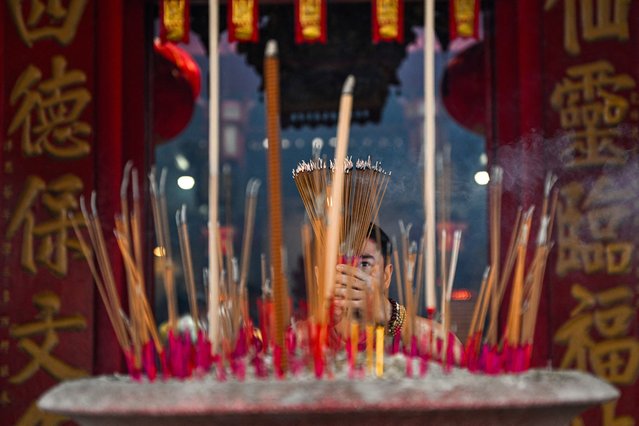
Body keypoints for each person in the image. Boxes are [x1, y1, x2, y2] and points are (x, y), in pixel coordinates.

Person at [332, 223, 462, 362]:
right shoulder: (306, 337)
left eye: (364, 265)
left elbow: (459, 356)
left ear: (386, 276)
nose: (351, 276)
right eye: (340, 264)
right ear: (318, 277)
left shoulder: (422, 336)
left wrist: (387, 314)